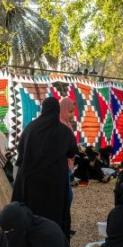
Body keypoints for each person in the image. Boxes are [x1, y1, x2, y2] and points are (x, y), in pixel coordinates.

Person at [12, 97, 78, 236]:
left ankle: (32, 240)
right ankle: (53, 241)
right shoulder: (64, 131)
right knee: (54, 215)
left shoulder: (30, 127)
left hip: (31, 181)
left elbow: (20, 149)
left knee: (33, 214)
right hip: (54, 182)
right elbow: (72, 151)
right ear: (57, 110)